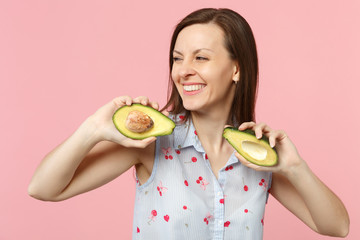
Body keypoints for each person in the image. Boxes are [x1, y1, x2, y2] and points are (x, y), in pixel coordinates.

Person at [28, 8, 349, 239]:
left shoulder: (258, 157)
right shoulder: (151, 144)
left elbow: (337, 227)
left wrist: (295, 167)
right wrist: (93, 129)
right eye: (177, 58)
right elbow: (42, 189)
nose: (183, 70)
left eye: (201, 57)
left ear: (236, 69)